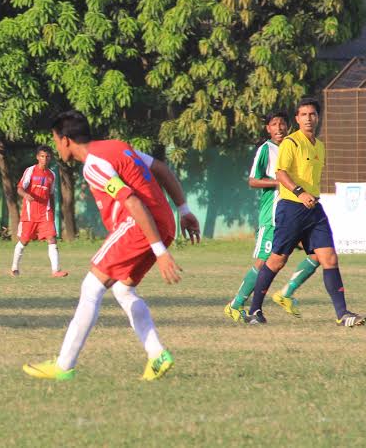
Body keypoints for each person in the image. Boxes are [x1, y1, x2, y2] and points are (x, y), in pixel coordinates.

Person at [23, 110, 201, 382]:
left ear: (66, 140)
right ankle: (157, 355)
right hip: (163, 222)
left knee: (90, 287)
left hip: (138, 226)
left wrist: (160, 253)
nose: (56, 146)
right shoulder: (118, 146)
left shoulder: (93, 165)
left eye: (56, 140)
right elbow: (162, 170)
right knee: (123, 289)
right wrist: (184, 209)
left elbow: (132, 202)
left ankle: (64, 365)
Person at [246, 99, 365, 326]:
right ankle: (254, 311)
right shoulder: (291, 142)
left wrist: (309, 195)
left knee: (329, 257)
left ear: (318, 118)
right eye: (303, 114)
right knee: (277, 260)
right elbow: (281, 173)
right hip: (291, 207)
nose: (308, 118)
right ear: (297, 119)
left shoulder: (319, 146)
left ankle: (342, 314)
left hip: (313, 209)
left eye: (312, 114)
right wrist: (300, 192)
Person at [224, 112, 319, 322]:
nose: (279, 128)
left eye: (282, 124)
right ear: (268, 128)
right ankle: (236, 304)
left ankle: (286, 294)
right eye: (274, 124)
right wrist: (280, 181)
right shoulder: (266, 149)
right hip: (273, 215)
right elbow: (252, 181)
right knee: (264, 262)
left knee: (319, 254)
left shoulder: (295, 145)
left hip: (297, 213)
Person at [10, 145, 68, 277]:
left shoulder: (51, 175)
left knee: (52, 239)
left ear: (50, 158)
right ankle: (14, 267)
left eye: (47, 157)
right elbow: (19, 188)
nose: (45, 159)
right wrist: (25, 195)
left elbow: (51, 195)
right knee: (24, 241)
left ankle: (56, 270)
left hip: (45, 213)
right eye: (42, 156)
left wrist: (52, 212)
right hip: (30, 213)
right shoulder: (30, 171)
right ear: (37, 157)